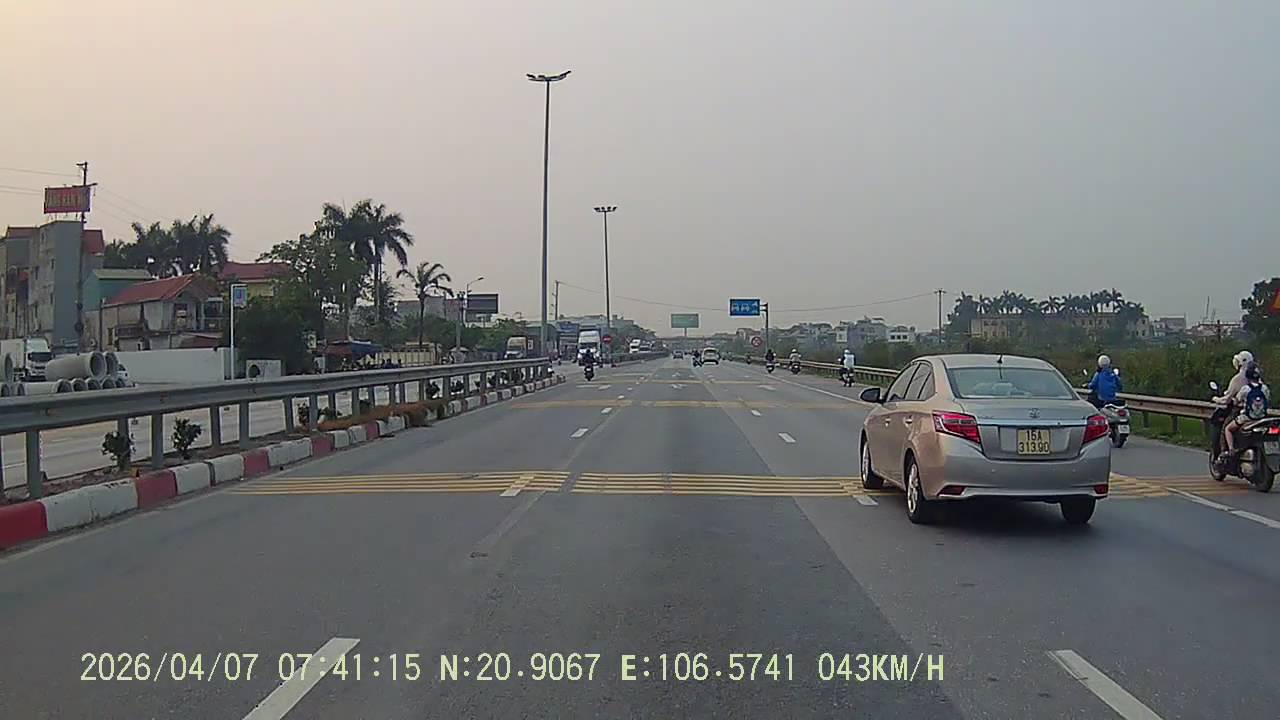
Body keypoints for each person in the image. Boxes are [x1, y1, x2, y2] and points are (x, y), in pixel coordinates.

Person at [1220, 362, 1269, 461]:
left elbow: (1236, 401)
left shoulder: (1245, 389)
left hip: (1247, 418)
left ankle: (1231, 450)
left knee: (1228, 429)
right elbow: (1267, 400)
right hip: (1262, 418)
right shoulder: (1265, 388)